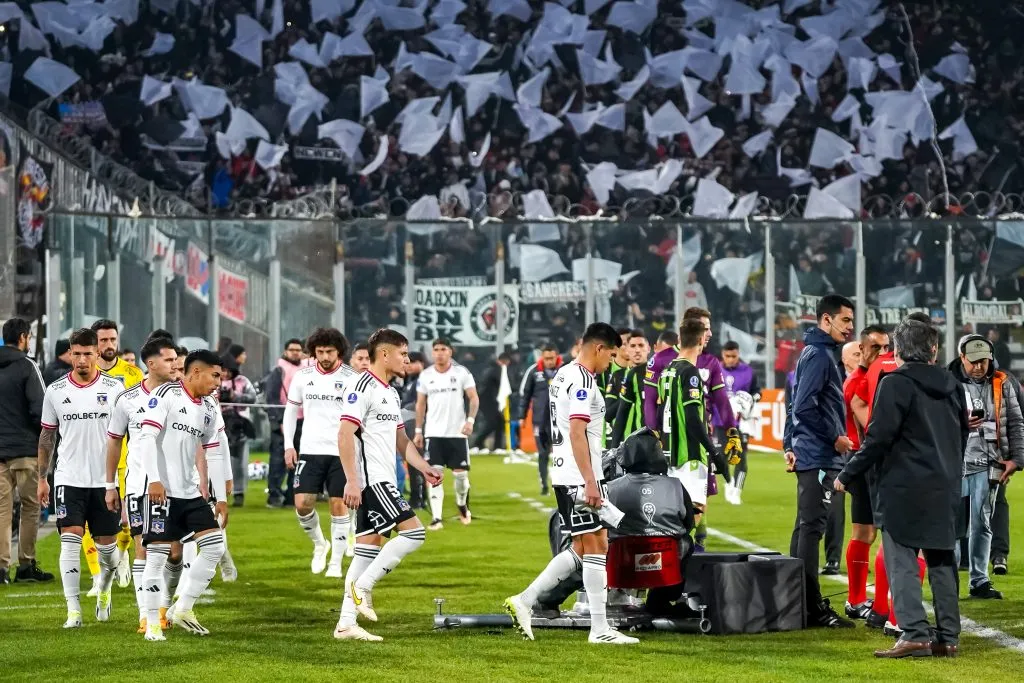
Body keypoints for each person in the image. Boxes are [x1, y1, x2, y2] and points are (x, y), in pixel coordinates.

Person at [836, 317, 968, 658]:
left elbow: (878, 437)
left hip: (904, 486)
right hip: (945, 483)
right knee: (942, 560)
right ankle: (949, 637)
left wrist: (847, 474)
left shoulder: (895, 383)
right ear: (934, 349)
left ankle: (914, 634)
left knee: (902, 559)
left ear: (898, 350)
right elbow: (962, 435)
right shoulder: (954, 384)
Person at [504, 322, 638, 645]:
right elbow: (577, 432)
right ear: (598, 349)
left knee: (586, 547)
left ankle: (525, 600)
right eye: (611, 355)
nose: (611, 363)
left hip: (570, 475)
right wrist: (591, 482)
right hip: (580, 478)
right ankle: (599, 629)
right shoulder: (581, 381)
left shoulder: (563, 373)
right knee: (596, 548)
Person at [334, 328, 443, 642]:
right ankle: (364, 587)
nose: (407, 360)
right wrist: (353, 481)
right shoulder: (361, 385)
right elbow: (344, 434)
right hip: (373, 481)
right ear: (384, 354)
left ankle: (345, 624)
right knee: (415, 532)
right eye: (403, 353)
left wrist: (423, 468)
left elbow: (400, 439)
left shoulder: (391, 392)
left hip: (383, 478)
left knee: (366, 550)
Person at [36, 328, 126, 628]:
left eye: (88, 353)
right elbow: (47, 436)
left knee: (108, 551)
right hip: (69, 478)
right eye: (77, 354)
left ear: (97, 354)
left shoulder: (115, 389)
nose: (83, 359)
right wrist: (42, 478)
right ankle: (73, 611)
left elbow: (130, 434)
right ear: (70, 355)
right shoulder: (56, 390)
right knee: (70, 542)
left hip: (104, 482)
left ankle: (104, 589)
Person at [135, 350, 226, 641]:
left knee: (214, 546)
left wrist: (220, 495)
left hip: (189, 493)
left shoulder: (209, 407)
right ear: (196, 371)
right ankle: (151, 624)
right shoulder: (166, 395)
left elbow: (214, 450)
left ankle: (183, 608)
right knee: (157, 558)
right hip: (163, 492)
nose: (218, 383)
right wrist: (155, 480)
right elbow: (146, 437)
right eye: (215, 375)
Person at [783, 294, 856, 629]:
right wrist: (834, 438)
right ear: (826, 320)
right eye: (845, 320)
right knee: (812, 529)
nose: (850, 326)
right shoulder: (820, 356)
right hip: (820, 455)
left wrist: (790, 442)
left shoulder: (816, 353)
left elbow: (797, 404)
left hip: (813, 453)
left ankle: (799, 602)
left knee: (805, 527)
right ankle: (812, 608)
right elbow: (803, 406)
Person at [103, 336, 178, 633]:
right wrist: (110, 484)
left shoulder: (182, 396)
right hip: (138, 484)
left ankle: (166, 604)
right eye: (169, 359)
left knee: (175, 552)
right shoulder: (127, 399)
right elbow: (114, 443)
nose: (175, 364)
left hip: (177, 485)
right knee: (143, 548)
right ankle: (147, 615)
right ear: (151, 363)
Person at [947, 334, 1023, 600]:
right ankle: (949, 582)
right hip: (952, 465)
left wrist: (1016, 459)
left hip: (987, 464)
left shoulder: (1003, 383)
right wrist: (960, 424)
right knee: (951, 525)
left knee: (982, 523)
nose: (979, 367)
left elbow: (1016, 422)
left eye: (984, 361)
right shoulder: (946, 383)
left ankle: (979, 581)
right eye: (974, 361)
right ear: (962, 359)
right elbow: (933, 423)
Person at [283, 328, 355, 578]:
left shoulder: (351, 378)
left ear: (339, 352)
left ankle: (335, 562)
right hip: (310, 449)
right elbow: (291, 412)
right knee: (302, 503)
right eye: (320, 351)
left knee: (338, 504)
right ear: (313, 351)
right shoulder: (302, 377)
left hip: (341, 451)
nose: (324, 356)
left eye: (329, 351)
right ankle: (319, 543)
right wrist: (288, 445)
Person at [90, 318, 145, 589]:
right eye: (103, 340)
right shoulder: (85, 373)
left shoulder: (134, 375)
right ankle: (97, 576)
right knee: (94, 522)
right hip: (92, 460)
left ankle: (121, 555)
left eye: (113, 339)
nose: (109, 345)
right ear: (94, 343)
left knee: (128, 519)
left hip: (128, 459)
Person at [682, 308, 742, 551]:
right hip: (672, 441)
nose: (709, 333)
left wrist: (732, 431)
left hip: (700, 437)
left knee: (700, 494)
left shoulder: (711, 362)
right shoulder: (669, 360)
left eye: (709, 328)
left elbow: (721, 401)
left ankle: (698, 542)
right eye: (705, 328)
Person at [838, 327, 889, 616]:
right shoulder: (859, 381)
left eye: (886, 348)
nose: (882, 353)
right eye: (876, 348)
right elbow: (874, 427)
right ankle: (862, 601)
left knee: (866, 533)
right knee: (867, 534)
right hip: (864, 461)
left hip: (865, 461)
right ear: (862, 349)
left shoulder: (874, 378)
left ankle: (858, 600)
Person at [0, 318, 52, 585]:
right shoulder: (27, 366)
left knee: (2, 510)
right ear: (22, 337)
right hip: (24, 450)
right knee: (31, 507)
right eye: (29, 336)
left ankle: (0, 569)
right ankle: (26, 565)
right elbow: (41, 411)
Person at [660, 319, 722, 527]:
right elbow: (693, 419)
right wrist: (714, 453)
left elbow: (661, 411)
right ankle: (679, 557)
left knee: (675, 513)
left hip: (671, 453)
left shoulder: (667, 370)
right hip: (690, 455)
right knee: (692, 513)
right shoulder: (690, 372)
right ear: (700, 340)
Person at [414, 339, 479, 529]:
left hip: (457, 434)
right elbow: (420, 404)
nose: (440, 353)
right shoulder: (425, 375)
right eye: (436, 350)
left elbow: (474, 398)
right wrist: (419, 430)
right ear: (432, 353)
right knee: (434, 476)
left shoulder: (461, 373)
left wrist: (470, 421)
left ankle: (462, 505)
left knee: (460, 477)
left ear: (450, 352)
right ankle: (436, 517)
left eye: (443, 349)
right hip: (433, 434)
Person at [718, 340, 762, 505]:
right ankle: (728, 482)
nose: (730, 359)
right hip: (720, 420)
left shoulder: (749, 371)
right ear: (723, 355)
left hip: (742, 421)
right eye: (728, 356)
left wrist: (752, 398)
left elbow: (757, 392)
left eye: (734, 356)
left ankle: (737, 491)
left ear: (738, 355)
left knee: (741, 456)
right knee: (722, 455)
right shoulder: (716, 370)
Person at [263, 338, 304, 509]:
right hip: (283, 422)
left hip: (302, 421)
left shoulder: (305, 370)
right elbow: (271, 398)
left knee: (299, 460)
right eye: (292, 349)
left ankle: (290, 495)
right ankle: (274, 494)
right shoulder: (278, 370)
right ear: (285, 351)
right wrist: (280, 420)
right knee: (278, 460)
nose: (295, 352)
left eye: (298, 349)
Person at [518, 345, 562, 495]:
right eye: (546, 358)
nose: (549, 361)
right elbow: (526, 395)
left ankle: (561, 484)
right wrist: (521, 416)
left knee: (561, 454)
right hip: (539, 421)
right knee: (543, 453)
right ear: (542, 358)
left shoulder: (565, 371)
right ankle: (544, 485)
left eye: (552, 358)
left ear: (557, 357)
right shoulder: (534, 371)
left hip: (560, 421)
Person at [219, 354, 256, 507]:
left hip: (240, 425)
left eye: (229, 371)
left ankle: (239, 493)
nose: (226, 374)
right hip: (219, 425)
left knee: (240, 463)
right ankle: (217, 493)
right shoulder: (213, 380)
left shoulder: (243, 381)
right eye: (223, 370)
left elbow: (253, 398)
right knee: (217, 461)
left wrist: (236, 396)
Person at [609, 331, 650, 449]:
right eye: (633, 346)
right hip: (637, 440)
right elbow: (620, 413)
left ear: (648, 348)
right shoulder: (625, 376)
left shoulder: (661, 372)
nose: (637, 350)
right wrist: (614, 448)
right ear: (627, 349)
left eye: (641, 346)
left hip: (663, 439)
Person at [470, 353, 510, 453]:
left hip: (487, 399)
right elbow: (503, 384)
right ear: (504, 361)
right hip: (488, 400)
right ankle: (477, 443)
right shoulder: (497, 370)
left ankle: (497, 446)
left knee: (499, 422)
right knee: (492, 422)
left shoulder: (491, 369)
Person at [642, 330, 679, 432]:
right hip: (661, 423)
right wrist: (653, 430)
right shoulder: (654, 364)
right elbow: (650, 400)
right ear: (655, 348)